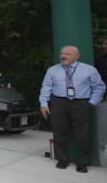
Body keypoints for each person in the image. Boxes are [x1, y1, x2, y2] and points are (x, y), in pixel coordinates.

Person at [39, 45, 106, 173]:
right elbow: (46, 87)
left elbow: (99, 87)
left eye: (67, 54)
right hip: (59, 102)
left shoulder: (89, 70)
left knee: (83, 134)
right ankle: (62, 159)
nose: (63, 56)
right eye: (62, 53)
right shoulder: (53, 70)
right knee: (60, 132)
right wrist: (44, 103)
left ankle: (82, 162)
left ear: (77, 56)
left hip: (81, 103)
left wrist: (91, 103)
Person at [95, 39, 107, 163]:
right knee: (102, 126)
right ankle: (100, 152)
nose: (103, 46)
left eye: (106, 44)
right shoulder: (99, 61)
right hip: (104, 98)